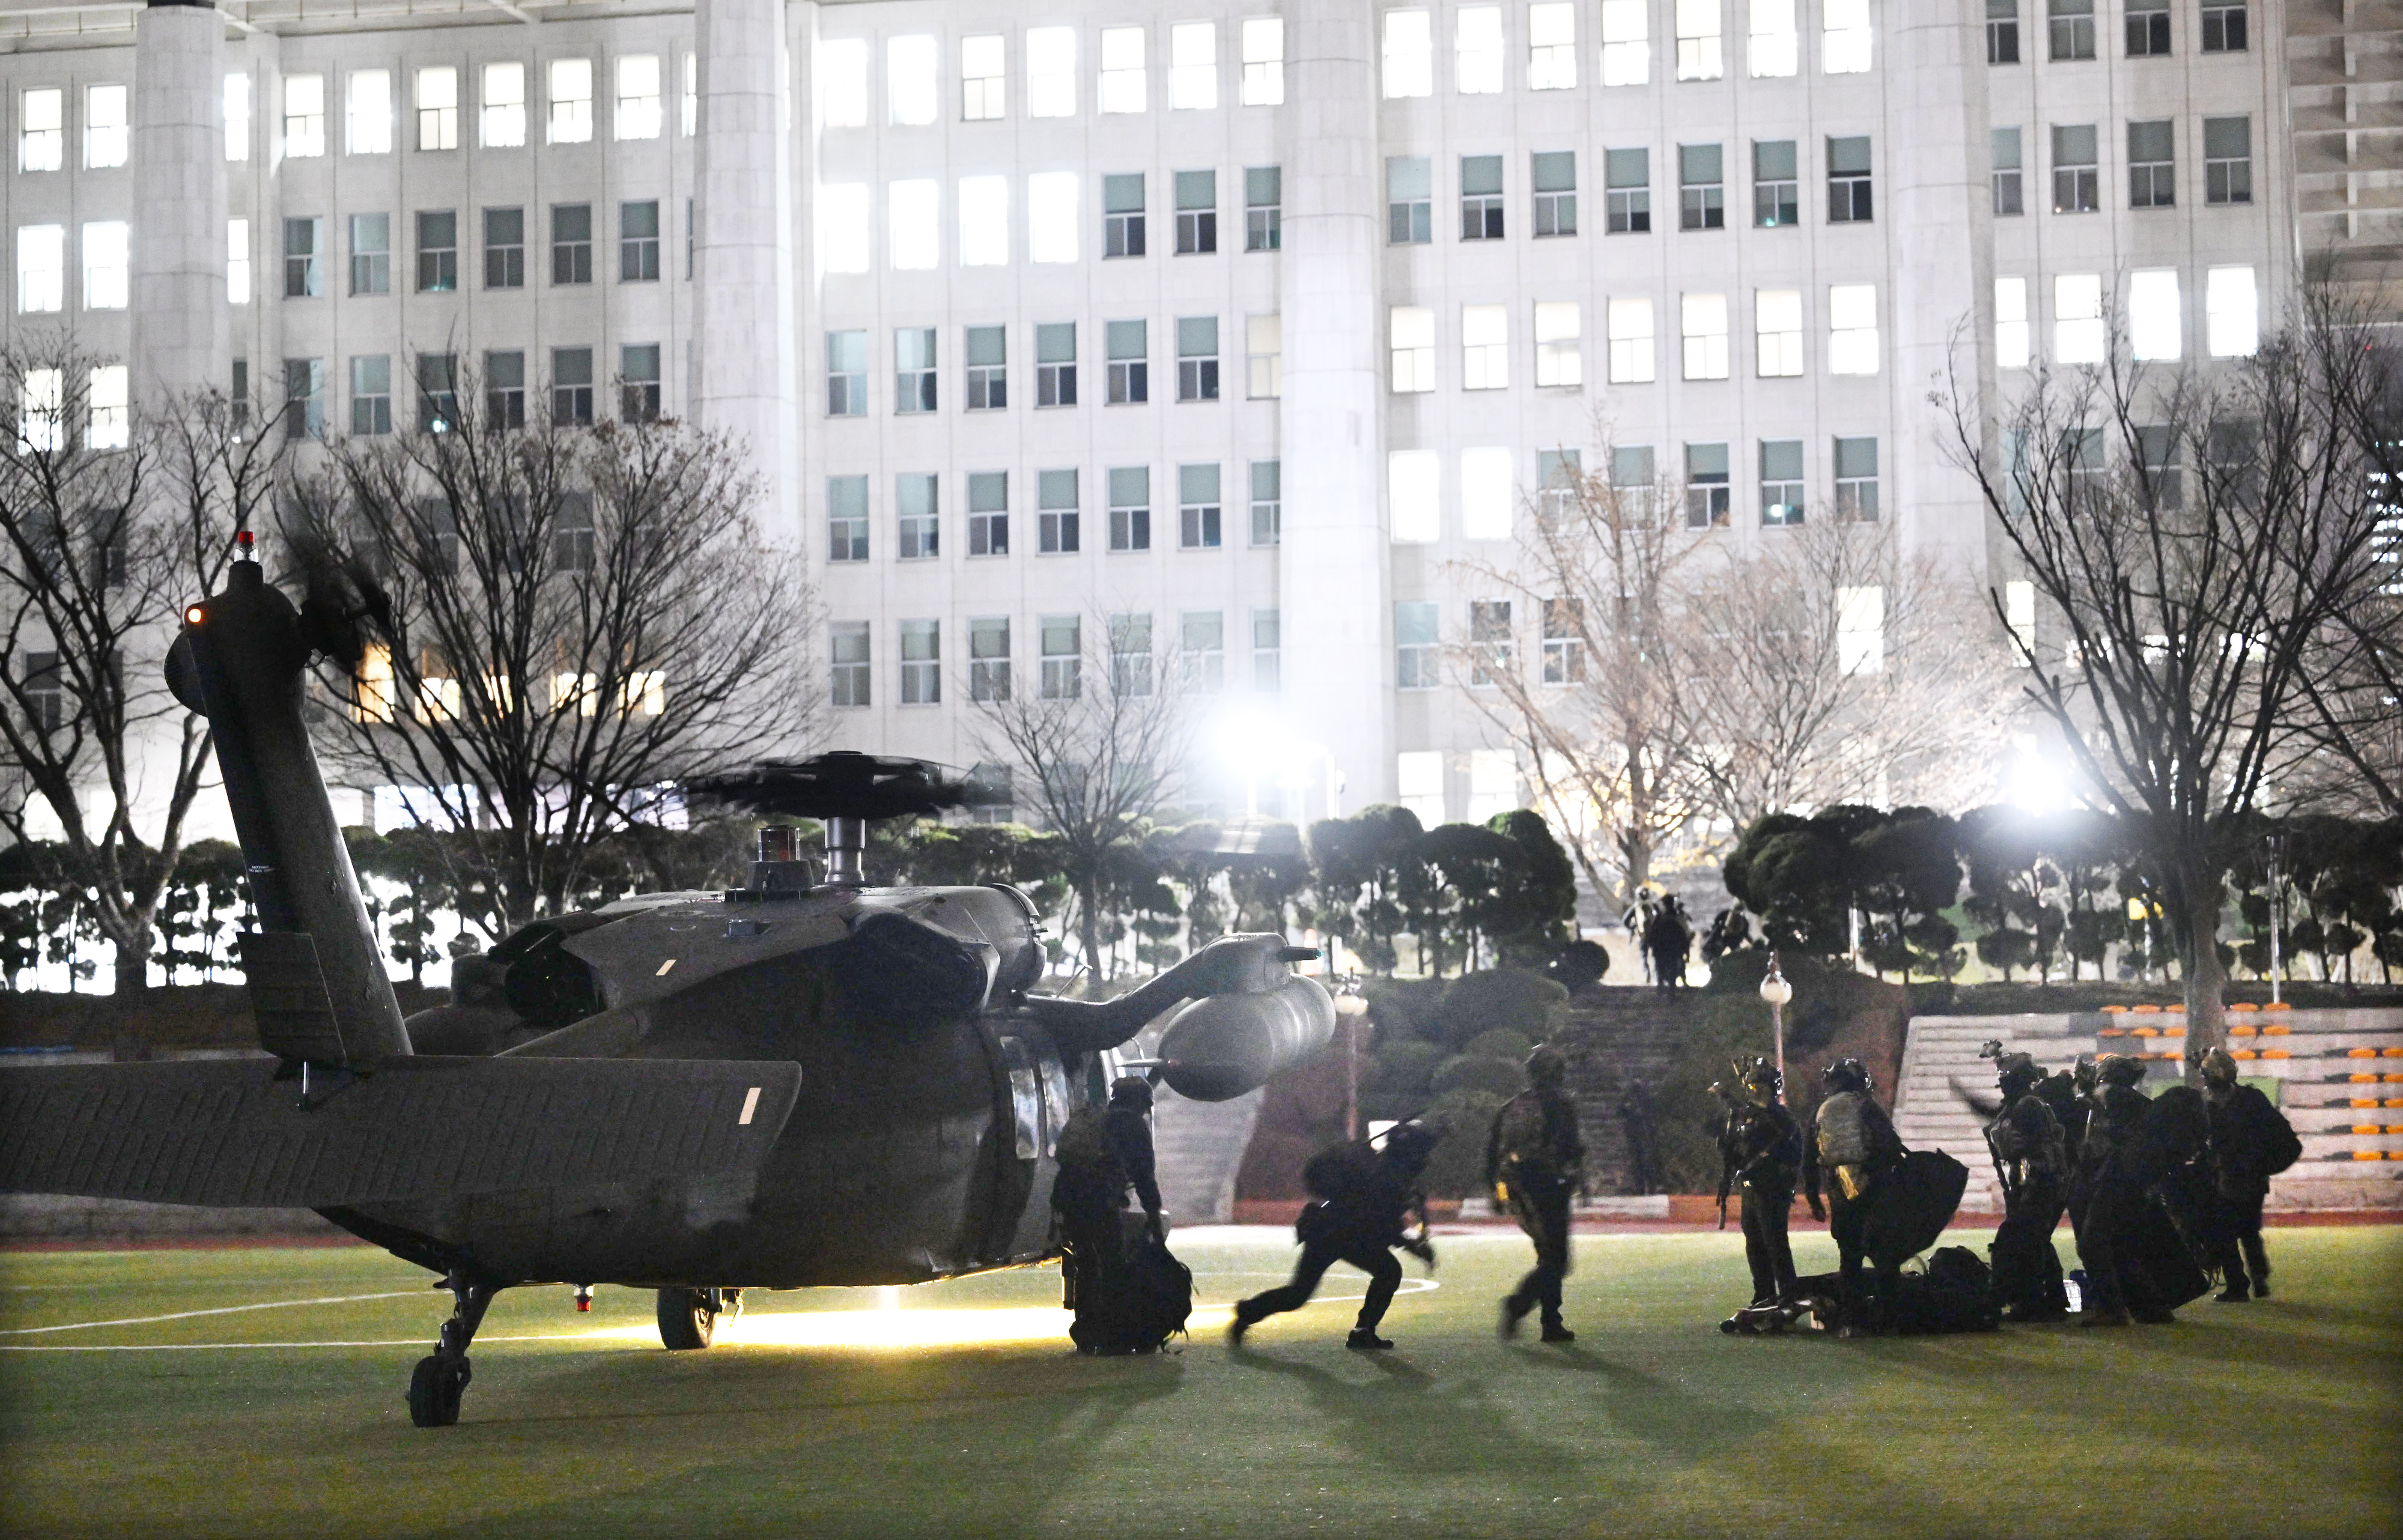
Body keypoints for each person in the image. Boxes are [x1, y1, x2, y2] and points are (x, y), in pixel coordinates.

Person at [1232, 1123, 1441, 1350]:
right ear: (1411, 1154)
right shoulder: (1389, 1178)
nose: (1426, 1160)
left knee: (1299, 1293)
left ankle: (1249, 1312)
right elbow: (1386, 1227)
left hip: (1332, 1232)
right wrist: (1415, 1248)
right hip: (1338, 1234)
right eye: (1422, 1152)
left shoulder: (1387, 1169)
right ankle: (1362, 1332)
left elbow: (1385, 1224)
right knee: (1387, 1272)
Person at [2076, 1055, 2208, 1327]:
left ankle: (2112, 1310)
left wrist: (2083, 1085)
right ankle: (2152, 1308)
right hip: (2137, 1184)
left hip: (2120, 1181)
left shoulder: (2115, 1095)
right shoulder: (2139, 1104)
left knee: (2091, 1242)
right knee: (2122, 1247)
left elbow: (2100, 1101)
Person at [1051, 1075, 1168, 1353]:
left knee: (1086, 1264)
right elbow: (1144, 1175)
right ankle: (1115, 1333)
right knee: (1113, 1264)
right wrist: (1153, 1213)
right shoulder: (1132, 1125)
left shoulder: (1096, 1121)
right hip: (1100, 1203)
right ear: (1140, 1101)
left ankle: (1086, 1332)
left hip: (1071, 1201)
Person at [1487, 1045, 1585, 1342]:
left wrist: (1494, 1190)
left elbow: (1493, 1152)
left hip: (1517, 1186)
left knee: (1547, 1254)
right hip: (1549, 1184)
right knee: (1558, 1259)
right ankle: (1519, 1303)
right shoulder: (1560, 1103)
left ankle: (1551, 1322)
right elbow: (1570, 1147)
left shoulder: (1512, 1106)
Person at [2196, 1046, 2301, 1302]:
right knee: (2249, 1230)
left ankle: (2238, 1286)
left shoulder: (2214, 1106)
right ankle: (2259, 1277)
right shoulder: (2252, 1099)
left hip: (2229, 1177)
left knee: (2225, 1232)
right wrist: (2268, 1165)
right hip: (2254, 1177)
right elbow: (2282, 1134)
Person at [1806, 1057, 1901, 1335]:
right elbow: (1890, 1146)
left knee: (1850, 1259)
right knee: (1885, 1256)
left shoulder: (1821, 1112)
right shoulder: (1865, 1106)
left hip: (1838, 1192)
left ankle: (1851, 1321)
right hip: (1874, 1189)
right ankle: (1887, 1320)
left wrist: (1813, 1198)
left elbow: (1810, 1158)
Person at [1715, 1057, 1812, 1317]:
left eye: (1759, 1082)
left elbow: (1794, 1154)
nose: (1754, 1088)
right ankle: (1764, 1294)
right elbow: (1736, 1148)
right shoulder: (1745, 1115)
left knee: (1775, 1243)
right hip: (1750, 1187)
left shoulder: (1781, 1117)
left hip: (1772, 1189)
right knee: (1755, 1243)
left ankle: (1788, 1295)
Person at [1984, 1050, 2072, 1321]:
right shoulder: (2021, 1105)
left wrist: (2025, 1188)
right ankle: (2054, 1299)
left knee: (2025, 1239)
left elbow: (2030, 1153)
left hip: (2039, 1180)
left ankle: (2031, 1302)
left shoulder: (2028, 1106)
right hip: (2037, 1179)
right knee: (2037, 1240)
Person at [1617, 1078, 1662, 1196]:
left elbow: (1652, 1113)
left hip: (1645, 1134)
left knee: (1647, 1162)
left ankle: (1651, 1186)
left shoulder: (1647, 1099)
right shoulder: (1629, 1099)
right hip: (1634, 1134)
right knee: (1638, 1162)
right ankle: (1640, 1187)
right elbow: (1621, 1111)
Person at [1645, 897, 1693, 991]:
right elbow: (1683, 935)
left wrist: (1651, 945)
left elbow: (1652, 933)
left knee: (1661, 969)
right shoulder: (1677, 917)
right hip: (1673, 948)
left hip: (1662, 949)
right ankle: (1671, 990)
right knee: (1673, 969)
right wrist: (1686, 952)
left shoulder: (1659, 918)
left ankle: (1662, 987)